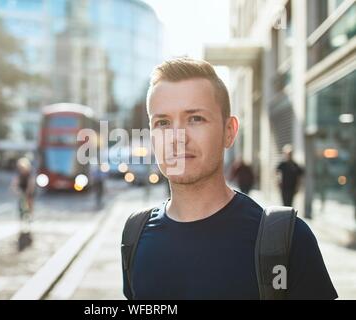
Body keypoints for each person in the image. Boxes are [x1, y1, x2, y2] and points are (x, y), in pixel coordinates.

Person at [121, 57, 337, 300]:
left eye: (195, 119)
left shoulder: (288, 240)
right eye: (162, 122)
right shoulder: (134, 236)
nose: (177, 138)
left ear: (229, 132)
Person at [10, 157, 35, 221]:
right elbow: (14, 183)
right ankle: (21, 215)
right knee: (21, 201)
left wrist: (28, 192)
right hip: (22, 187)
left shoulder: (29, 174)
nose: (21, 170)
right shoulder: (19, 174)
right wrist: (15, 190)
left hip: (29, 187)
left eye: (22, 168)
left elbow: (31, 184)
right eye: (20, 168)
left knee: (29, 200)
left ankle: (30, 214)